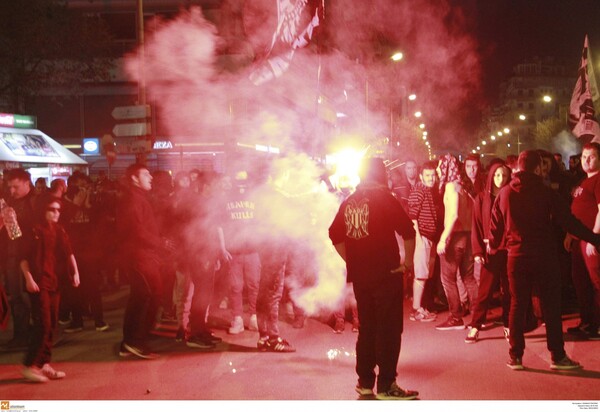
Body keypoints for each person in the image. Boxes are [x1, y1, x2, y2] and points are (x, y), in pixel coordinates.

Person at [489, 150, 600, 370]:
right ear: (538, 167)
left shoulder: (505, 193)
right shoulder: (546, 192)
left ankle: (515, 356)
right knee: (551, 306)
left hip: (516, 257)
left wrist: (493, 245)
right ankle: (557, 356)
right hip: (544, 256)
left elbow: (495, 226)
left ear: (519, 167)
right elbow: (568, 221)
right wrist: (594, 238)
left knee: (517, 305)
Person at [329, 157, 418, 400]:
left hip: (361, 277)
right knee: (388, 330)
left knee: (366, 328)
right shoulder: (385, 198)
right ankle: (387, 384)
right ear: (381, 175)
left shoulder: (349, 202)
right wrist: (407, 263)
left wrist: (351, 259)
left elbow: (334, 233)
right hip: (386, 274)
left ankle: (365, 381)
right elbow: (408, 231)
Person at [19, 197, 80, 382]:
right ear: (43, 210)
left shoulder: (59, 230)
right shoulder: (34, 231)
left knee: (52, 323)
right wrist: (28, 278)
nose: (56, 213)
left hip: (54, 281)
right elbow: (23, 258)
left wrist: (75, 272)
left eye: (58, 210)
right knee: (43, 323)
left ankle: (43, 363)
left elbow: (69, 252)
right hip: (39, 282)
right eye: (52, 209)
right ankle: (31, 365)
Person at [116, 164, 173, 359]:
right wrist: (161, 242)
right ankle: (135, 341)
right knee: (150, 295)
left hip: (143, 256)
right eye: (146, 174)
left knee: (142, 296)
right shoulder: (133, 199)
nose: (151, 177)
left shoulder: (138, 198)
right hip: (138, 257)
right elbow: (137, 230)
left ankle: (130, 342)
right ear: (134, 178)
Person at [465, 163, 511, 343]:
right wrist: (477, 251)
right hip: (489, 251)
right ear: (491, 177)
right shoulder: (482, 198)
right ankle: (476, 325)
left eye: (504, 175)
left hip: (508, 249)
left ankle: (508, 324)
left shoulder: (511, 196)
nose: (501, 179)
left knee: (509, 290)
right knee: (484, 291)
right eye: (497, 175)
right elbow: (475, 227)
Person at [435, 154, 478, 330]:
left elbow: (453, 215)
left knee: (447, 279)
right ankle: (478, 315)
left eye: (439, 166)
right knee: (468, 278)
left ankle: (455, 317)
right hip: (468, 236)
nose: (438, 170)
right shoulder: (464, 187)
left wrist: (443, 238)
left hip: (455, 237)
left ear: (446, 167)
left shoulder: (451, 187)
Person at [564, 142, 600, 340]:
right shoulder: (582, 181)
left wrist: (594, 238)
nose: (586, 160)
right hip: (578, 239)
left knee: (596, 282)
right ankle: (587, 322)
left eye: (592, 156)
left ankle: (597, 324)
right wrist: (570, 234)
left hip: (590, 240)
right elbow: (576, 210)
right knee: (581, 283)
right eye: (584, 156)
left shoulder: (598, 180)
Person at [1, 168, 36, 348]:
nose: (12, 191)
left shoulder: (35, 202)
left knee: (21, 295)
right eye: (10, 187)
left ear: (26, 183)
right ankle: (23, 332)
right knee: (16, 295)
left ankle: (24, 334)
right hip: (12, 254)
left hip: (26, 256)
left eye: (15, 187)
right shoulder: (9, 203)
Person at [408, 161, 442, 322]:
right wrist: (419, 239)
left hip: (429, 238)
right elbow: (412, 216)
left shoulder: (427, 190)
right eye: (427, 175)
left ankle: (421, 308)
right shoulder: (419, 190)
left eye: (433, 175)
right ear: (421, 176)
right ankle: (417, 310)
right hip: (423, 238)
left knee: (425, 274)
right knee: (420, 275)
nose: (431, 178)